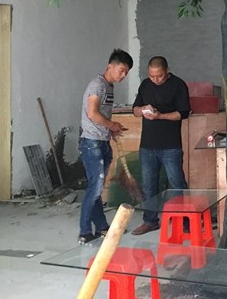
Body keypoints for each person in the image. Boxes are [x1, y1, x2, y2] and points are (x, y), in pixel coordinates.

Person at [130, 56, 191, 235]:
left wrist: (160, 116)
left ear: (167, 71)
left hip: (170, 145)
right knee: (149, 185)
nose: (155, 79)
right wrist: (143, 110)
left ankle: (183, 220)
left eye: (159, 76)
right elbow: (135, 110)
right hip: (147, 145)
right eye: (152, 76)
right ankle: (150, 221)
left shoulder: (178, 85)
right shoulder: (145, 85)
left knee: (176, 183)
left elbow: (183, 113)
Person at [78, 49, 133, 244]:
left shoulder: (109, 86)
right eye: (121, 70)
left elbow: (100, 115)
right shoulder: (97, 85)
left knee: (97, 188)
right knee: (95, 188)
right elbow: (92, 113)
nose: (123, 75)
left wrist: (111, 130)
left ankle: (101, 227)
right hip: (91, 143)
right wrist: (111, 125)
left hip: (102, 141)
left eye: (126, 72)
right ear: (110, 66)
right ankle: (84, 232)